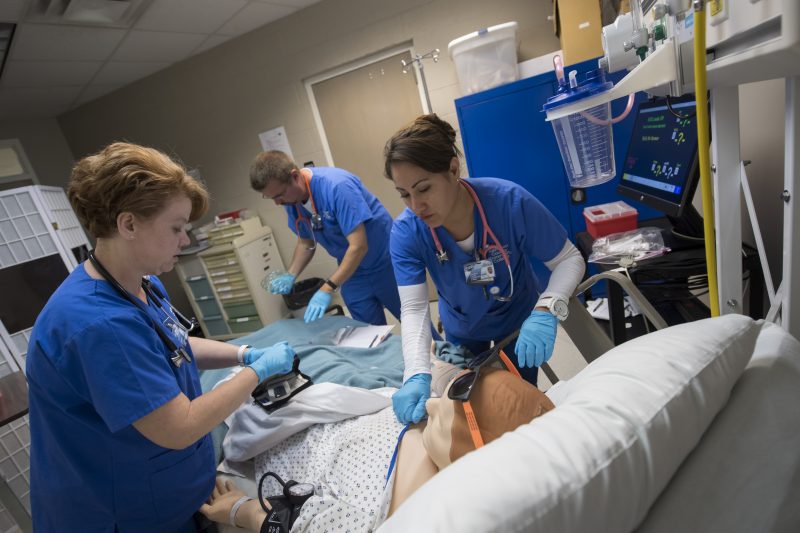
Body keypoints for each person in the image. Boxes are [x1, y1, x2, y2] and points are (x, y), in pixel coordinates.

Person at [26, 142, 297, 532]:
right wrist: (256, 375)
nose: (185, 240)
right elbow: (180, 425)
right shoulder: (97, 324)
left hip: (168, 489)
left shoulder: (141, 284)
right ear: (129, 224)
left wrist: (243, 354)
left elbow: (175, 344)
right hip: (117, 512)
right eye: (176, 228)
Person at [383, 114, 586, 424]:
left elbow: (569, 259)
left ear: (453, 169)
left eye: (423, 189)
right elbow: (412, 308)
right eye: (404, 195)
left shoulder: (509, 203)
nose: (415, 206)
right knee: (475, 407)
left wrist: (547, 308)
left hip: (519, 321)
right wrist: (416, 372)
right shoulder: (408, 232)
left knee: (518, 400)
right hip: (463, 327)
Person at [198, 365, 554, 531]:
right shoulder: (442, 434)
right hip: (331, 409)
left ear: (472, 455)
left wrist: (239, 511)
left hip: (281, 443)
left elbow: (292, 527)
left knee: (212, 393)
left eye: (442, 419)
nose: (430, 409)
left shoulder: (383, 512)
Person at [249, 151, 401, 325]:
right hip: (352, 271)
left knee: (416, 323)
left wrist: (327, 288)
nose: (277, 203)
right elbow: (306, 241)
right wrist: (291, 274)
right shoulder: (292, 200)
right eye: (272, 198)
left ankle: (438, 351)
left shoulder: (336, 186)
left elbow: (358, 246)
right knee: (369, 333)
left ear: (295, 176)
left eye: (278, 195)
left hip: (385, 262)